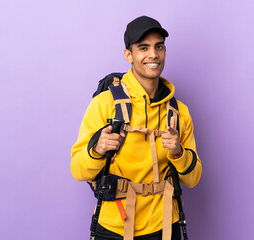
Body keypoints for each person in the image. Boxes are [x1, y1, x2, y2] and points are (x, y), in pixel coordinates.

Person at [71, 16, 202, 240]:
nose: (153, 54)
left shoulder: (179, 112)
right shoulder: (104, 104)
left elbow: (193, 179)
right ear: (128, 55)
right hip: (114, 227)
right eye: (144, 47)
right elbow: (78, 171)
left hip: (165, 226)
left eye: (159, 46)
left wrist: (178, 153)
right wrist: (97, 149)